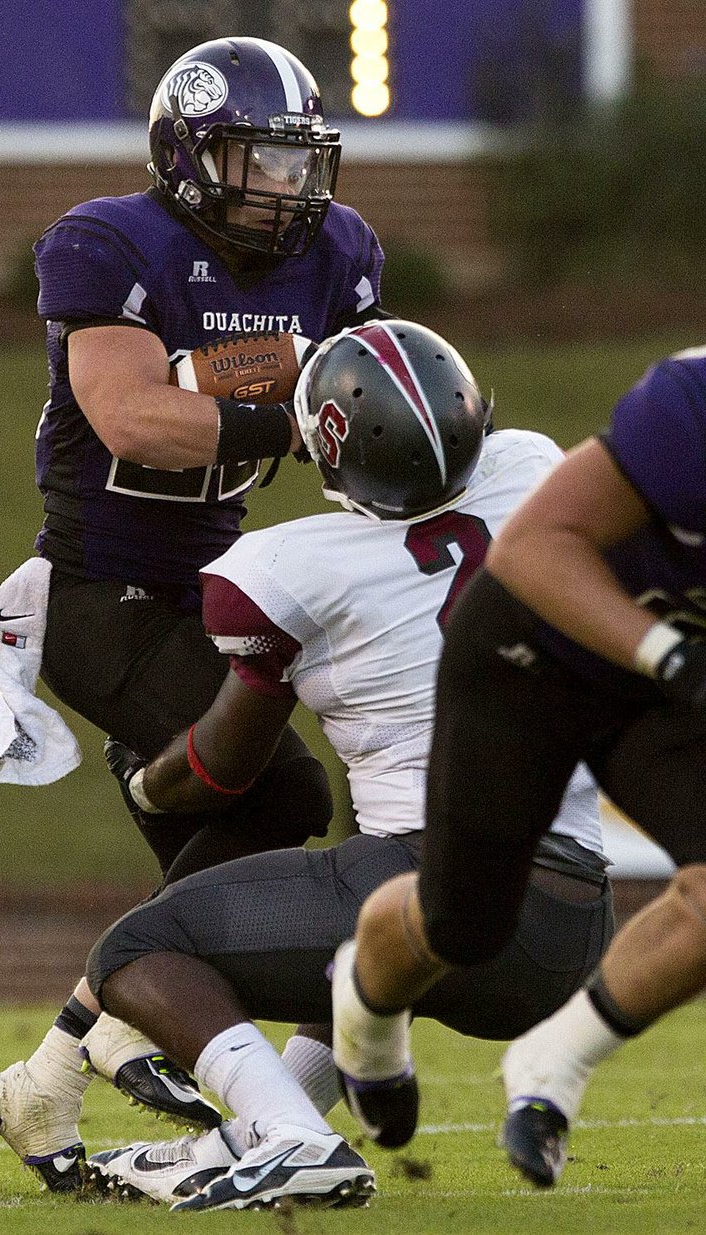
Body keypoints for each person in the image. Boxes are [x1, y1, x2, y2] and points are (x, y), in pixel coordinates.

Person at [68, 320, 614, 1211]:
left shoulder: (285, 567)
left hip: (435, 883)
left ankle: (290, 1137)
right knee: (352, 920)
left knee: (138, 946)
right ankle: (269, 1127)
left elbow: (222, 766)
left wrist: (145, 781)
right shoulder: (532, 466)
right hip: (571, 923)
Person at [0, 35, 386, 1192]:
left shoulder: (341, 250)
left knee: (220, 874)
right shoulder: (109, 241)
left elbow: (358, 402)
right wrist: (288, 409)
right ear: (193, 155)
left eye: (298, 164)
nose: (284, 188)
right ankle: (104, 1032)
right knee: (288, 793)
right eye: (257, 161)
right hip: (100, 588)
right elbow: (133, 420)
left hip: (215, 578)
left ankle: (54, 1071)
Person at [330, 345, 706, 1182]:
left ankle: (551, 1068)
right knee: (465, 922)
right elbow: (534, 548)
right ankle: (363, 1009)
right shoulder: (694, 403)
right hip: (537, 649)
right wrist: (667, 654)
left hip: (664, 689)